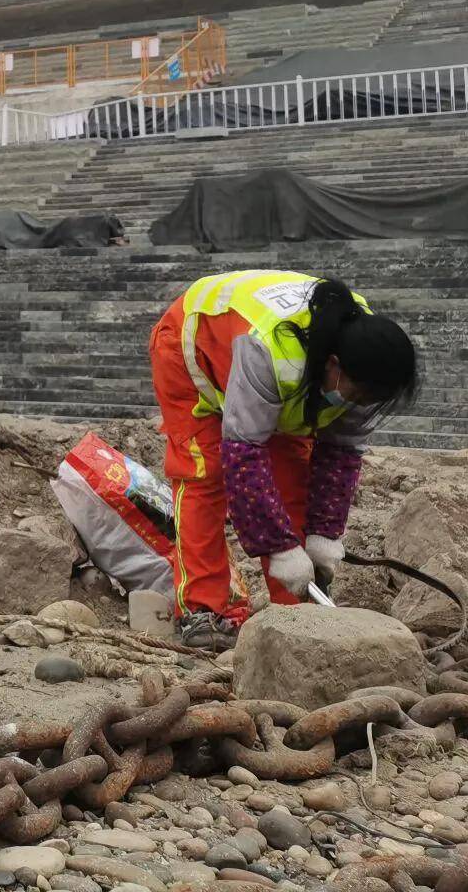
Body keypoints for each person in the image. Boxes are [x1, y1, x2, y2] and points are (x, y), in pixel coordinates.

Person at [149, 271, 418, 652]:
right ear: (334, 366)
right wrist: (276, 546)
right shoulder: (275, 352)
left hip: (280, 378)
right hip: (192, 349)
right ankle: (203, 610)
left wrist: (325, 534)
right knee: (203, 474)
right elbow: (243, 455)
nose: (359, 405)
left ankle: (295, 608)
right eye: (356, 395)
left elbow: (340, 456)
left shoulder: (369, 366)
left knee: (293, 476)